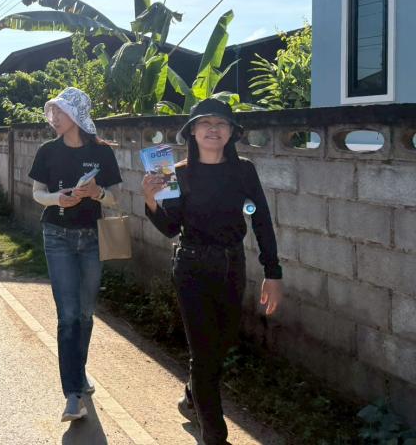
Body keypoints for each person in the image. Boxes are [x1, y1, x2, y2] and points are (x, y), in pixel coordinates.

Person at [142, 98, 283, 445]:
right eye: (205, 123)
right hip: (192, 268)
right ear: (192, 131)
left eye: (221, 124)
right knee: (204, 357)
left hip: (233, 266)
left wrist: (273, 272)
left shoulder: (244, 171)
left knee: (220, 347)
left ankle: (193, 396)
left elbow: (261, 221)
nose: (213, 129)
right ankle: (215, 436)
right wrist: (150, 201)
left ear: (232, 132)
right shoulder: (177, 173)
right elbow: (170, 227)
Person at [28, 87, 122, 422]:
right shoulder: (47, 150)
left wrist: (97, 192)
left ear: (77, 115)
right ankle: (72, 394)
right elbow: (37, 193)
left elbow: (114, 199)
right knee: (67, 316)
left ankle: (78, 373)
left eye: (60, 112)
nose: (54, 118)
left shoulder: (102, 152)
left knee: (84, 314)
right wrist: (58, 199)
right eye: (52, 111)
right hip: (57, 236)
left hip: (92, 238)